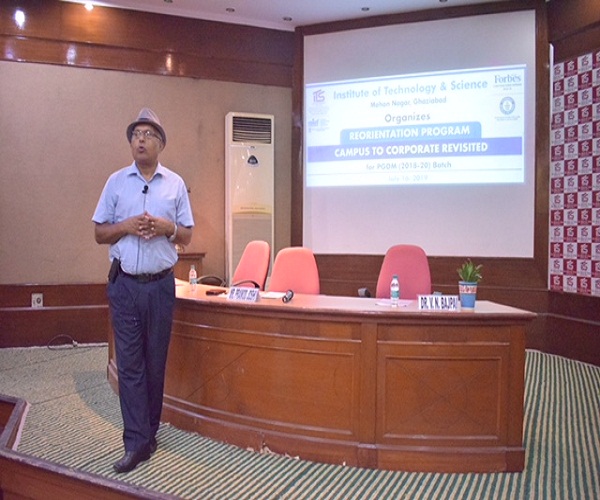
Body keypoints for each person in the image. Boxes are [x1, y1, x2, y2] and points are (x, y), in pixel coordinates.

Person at [92, 108, 194, 473]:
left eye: (148, 134)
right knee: (131, 365)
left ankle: (149, 433)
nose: (140, 139)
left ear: (160, 144)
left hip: (160, 287)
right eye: (136, 134)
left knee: (154, 363)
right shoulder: (116, 182)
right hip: (125, 286)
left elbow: (186, 234)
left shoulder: (175, 184)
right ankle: (135, 442)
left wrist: (168, 227)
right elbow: (99, 232)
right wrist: (127, 226)